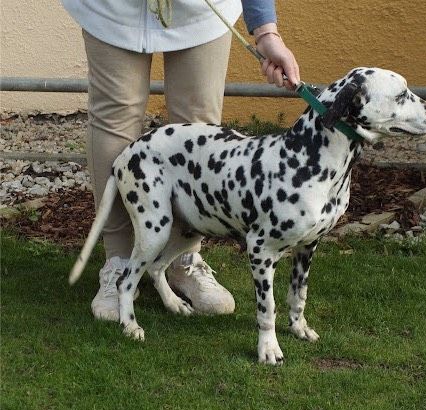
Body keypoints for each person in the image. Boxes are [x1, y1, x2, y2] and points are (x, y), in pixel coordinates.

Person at [62, 0, 300, 320]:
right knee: (114, 121)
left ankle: (184, 259)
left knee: (199, 124)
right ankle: (118, 261)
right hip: (113, 7)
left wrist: (266, 31)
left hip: (203, 6)